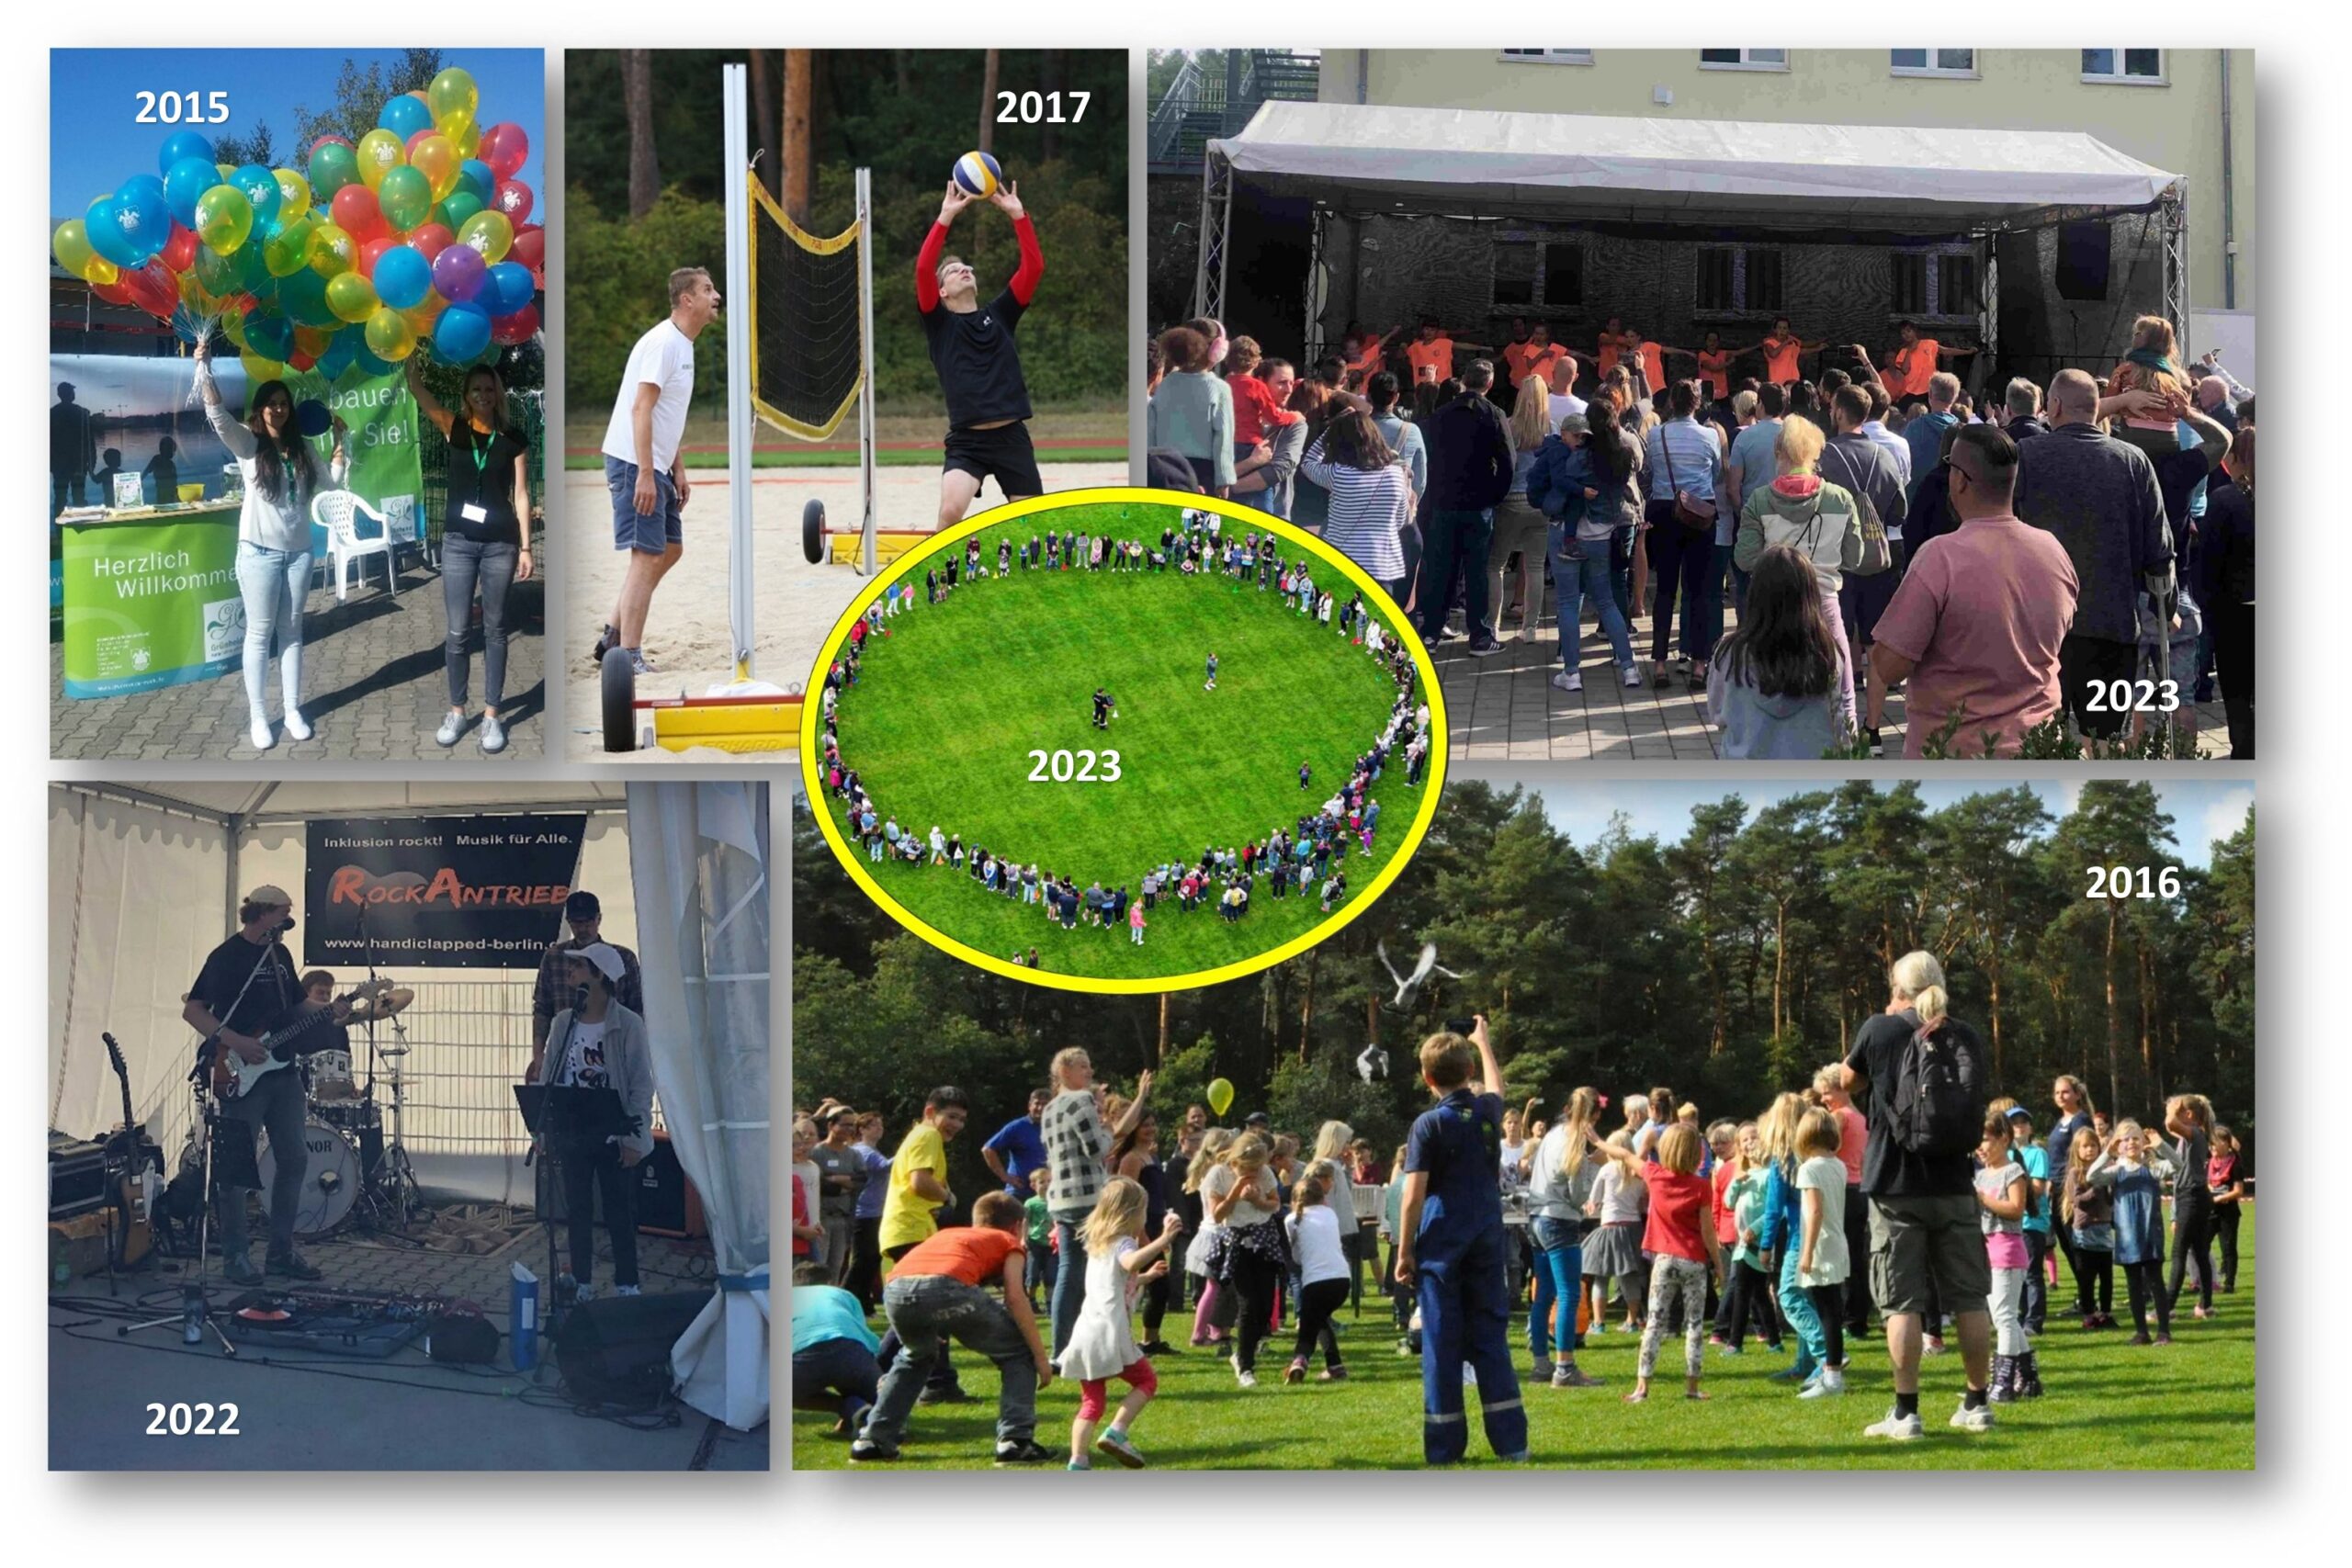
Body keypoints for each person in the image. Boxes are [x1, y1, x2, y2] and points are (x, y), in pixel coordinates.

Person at [1840, 950, 1996, 1438]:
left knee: (1901, 1301)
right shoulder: (1965, 1033)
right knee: (1970, 1297)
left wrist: (1885, 1021)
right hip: (1953, 1182)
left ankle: (1906, 1413)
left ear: (1898, 988)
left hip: (1895, 1183)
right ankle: (1977, 1403)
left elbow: (1848, 1081)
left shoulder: (1879, 1029)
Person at [1873, 424, 2078, 758]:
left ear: (1959, 480)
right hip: (2038, 747)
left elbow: (1889, 666)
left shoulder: (1939, 558)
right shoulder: (2054, 550)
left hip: (1953, 754)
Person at [183, 886, 342, 1284]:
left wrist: (332, 1010)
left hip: (284, 1071)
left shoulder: (281, 954)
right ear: (262, 913)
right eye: (284, 914)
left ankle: (281, 1253)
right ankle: (235, 1256)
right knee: (236, 1169)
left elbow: (296, 1006)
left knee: (295, 1159)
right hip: (240, 1069)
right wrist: (235, 1042)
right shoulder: (226, 957)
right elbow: (193, 1009)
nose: (289, 921)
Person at [195, 338, 348, 751]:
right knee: (260, 635)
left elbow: (332, 482)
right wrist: (205, 368)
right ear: (261, 410)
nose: (278, 408)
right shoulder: (249, 444)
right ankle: (260, 717)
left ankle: (294, 709)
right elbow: (217, 417)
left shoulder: (302, 447)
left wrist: (340, 443)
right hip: (258, 554)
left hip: (299, 554)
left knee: (292, 632)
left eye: (283, 403)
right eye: (271, 403)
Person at [2014, 369, 2172, 749]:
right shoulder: (2133, 461)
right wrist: (2164, 603)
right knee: (2104, 739)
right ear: (2096, 408)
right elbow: (2159, 548)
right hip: (2111, 625)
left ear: (2053, 405)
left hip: (2038, 628)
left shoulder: (2026, 455)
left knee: (2038, 735)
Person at [1394, 1015, 1527, 1462]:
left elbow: (1413, 1196)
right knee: (1491, 1338)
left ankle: (1445, 1446)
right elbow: (1498, 1089)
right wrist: (1484, 1042)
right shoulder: (1487, 1113)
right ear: (1468, 1071)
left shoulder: (1428, 1125)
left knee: (1441, 1343)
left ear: (1427, 1078)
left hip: (1442, 1239)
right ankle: (1512, 1444)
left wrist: (1404, 1250)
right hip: (1487, 1234)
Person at [851, 1191, 1055, 1464]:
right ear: (1017, 1226)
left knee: (915, 1357)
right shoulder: (1008, 1240)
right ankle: (1015, 1441)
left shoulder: (945, 1235)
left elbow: (924, 1276)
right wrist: (1040, 1356)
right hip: (947, 1286)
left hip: (896, 1289)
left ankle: (873, 1441)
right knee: (1018, 1353)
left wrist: (932, 1319)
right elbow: (1016, 1298)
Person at [407, 352, 532, 753]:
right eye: (476, 389)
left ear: (497, 394)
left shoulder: (513, 440)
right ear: (466, 395)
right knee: (458, 631)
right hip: (459, 544)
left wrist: (527, 546)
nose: (483, 394)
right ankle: (458, 711)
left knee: (496, 630)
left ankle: (492, 717)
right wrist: (410, 362)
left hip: (501, 545)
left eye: (489, 389)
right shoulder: (453, 429)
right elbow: (419, 392)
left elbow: (522, 494)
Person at [917, 180, 1045, 525]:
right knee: (950, 511)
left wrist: (1018, 215)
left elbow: (1033, 269)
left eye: (968, 268)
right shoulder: (939, 323)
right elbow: (922, 270)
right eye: (954, 271)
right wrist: (945, 217)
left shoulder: (1000, 314)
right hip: (967, 441)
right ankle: (942, 576)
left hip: (1011, 437)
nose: (965, 269)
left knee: (1031, 522)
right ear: (941, 291)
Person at [536, 942, 655, 1303]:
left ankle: (627, 1284)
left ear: (599, 975)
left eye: (579, 967)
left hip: (615, 1133)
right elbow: (549, 1076)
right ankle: (582, 1282)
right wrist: (544, 1127)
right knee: (578, 1210)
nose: (570, 972)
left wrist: (635, 1137)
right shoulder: (563, 1022)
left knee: (620, 1211)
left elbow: (640, 1084)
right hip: (575, 1130)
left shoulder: (629, 1025)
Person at [1733, 415, 1863, 726]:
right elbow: (1855, 557)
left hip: (1771, 607)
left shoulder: (1759, 500)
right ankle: (1848, 747)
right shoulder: (1840, 498)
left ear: (1779, 453)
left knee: (1767, 685)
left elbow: (1744, 558)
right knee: (1842, 685)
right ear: (1815, 453)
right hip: (1825, 603)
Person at [1058, 1178, 1183, 1469]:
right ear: (1131, 1213)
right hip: (1110, 1333)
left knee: (1091, 1402)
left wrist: (1146, 1278)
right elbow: (1129, 1263)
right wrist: (1164, 1240)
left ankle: (1078, 1461)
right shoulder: (1122, 1243)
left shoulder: (1097, 1244)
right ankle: (1117, 1431)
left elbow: (1118, 1281)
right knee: (1146, 1381)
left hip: (1087, 1330)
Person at [1041, 1049, 1153, 1356]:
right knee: (1103, 1272)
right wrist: (1103, 1124)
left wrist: (1139, 1097)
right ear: (1064, 1070)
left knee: (1069, 1271)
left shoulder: (1050, 1108)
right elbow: (1100, 1147)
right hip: (1089, 1197)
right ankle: (1107, 1344)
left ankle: (1062, 1349)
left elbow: (1115, 1133)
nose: (1090, 1072)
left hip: (1061, 1199)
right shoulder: (1081, 1101)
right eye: (1083, 1067)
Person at [1705, 543, 1850, 758]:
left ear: (1755, 594)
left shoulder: (1730, 653)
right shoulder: (1828, 653)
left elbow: (1717, 713)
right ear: (1810, 595)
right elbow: (1838, 720)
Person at [1415, 361, 1514, 655]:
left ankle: (1431, 632)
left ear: (1464, 380)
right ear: (1489, 383)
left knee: (1440, 568)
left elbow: (1426, 458)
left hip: (1443, 502)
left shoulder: (1439, 415)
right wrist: (1494, 495)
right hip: (1478, 504)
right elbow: (1508, 463)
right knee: (1477, 571)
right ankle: (1480, 636)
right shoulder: (1493, 415)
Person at [1641, 380, 1728, 689]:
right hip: (1701, 512)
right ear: (1697, 404)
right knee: (1700, 590)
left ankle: (1661, 663)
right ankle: (1699, 666)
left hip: (1665, 510)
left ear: (1671, 404)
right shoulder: (1709, 435)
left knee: (1664, 588)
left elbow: (1649, 470)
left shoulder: (1655, 434)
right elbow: (1717, 474)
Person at [1298, 408, 1411, 600]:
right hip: (1382, 566)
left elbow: (1307, 463)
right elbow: (1401, 520)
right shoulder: (1395, 475)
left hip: (1341, 561)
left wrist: (1330, 430)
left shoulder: (1338, 473)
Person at [530, 891, 644, 1079]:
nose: (582, 928)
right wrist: (538, 1055)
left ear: (599, 919)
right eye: (576, 923)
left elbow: (638, 1010)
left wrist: (633, 1054)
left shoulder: (623, 958)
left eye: (588, 922)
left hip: (613, 1052)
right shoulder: (554, 957)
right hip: (564, 1052)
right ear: (568, 922)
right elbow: (542, 1008)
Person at [2081, 1121, 2175, 1344]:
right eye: (2125, 1139)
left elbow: (2178, 1164)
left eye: (2136, 1138)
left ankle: (2164, 1331)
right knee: (2133, 1284)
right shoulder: (2117, 1170)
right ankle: (2141, 1332)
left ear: (2144, 1142)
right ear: (2118, 1145)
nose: (2131, 1143)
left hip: (2151, 1233)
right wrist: (2107, 1153)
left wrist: (2161, 1146)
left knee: (2155, 1281)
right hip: (2127, 1236)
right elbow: (2091, 1176)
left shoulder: (2153, 1167)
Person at [2197, 425, 2255, 759]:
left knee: (2237, 690)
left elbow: (2209, 563)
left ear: (2236, 460)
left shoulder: (2225, 500)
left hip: (2234, 612)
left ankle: (2245, 754)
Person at [1973, 1108, 2036, 1402]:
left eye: (1986, 1139)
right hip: (1986, 1250)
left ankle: (2004, 1381)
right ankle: (2030, 1377)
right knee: (2002, 1317)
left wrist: (1984, 1199)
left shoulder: (2013, 1171)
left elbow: (2015, 1209)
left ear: (2004, 1139)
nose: (1981, 1147)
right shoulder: (1981, 1175)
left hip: (2008, 1249)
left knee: (2005, 1317)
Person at [1486, 374, 1555, 644]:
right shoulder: (1552, 429)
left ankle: (1493, 626)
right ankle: (1530, 628)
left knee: (1496, 565)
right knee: (1536, 566)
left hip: (1510, 501)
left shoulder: (1509, 426)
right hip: (1539, 504)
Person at [793, 1260, 883, 1438]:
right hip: (850, 1351)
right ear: (829, 1283)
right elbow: (865, 1336)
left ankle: (850, 1407)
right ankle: (866, 1412)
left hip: (802, 1355)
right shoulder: (842, 1295)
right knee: (882, 1405)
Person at [1282, 1170, 1352, 1384]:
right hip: (1342, 1279)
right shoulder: (1330, 1214)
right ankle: (1335, 1367)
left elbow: (1296, 1257)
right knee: (1318, 1320)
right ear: (1323, 1196)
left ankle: (1300, 1359)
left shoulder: (1292, 1220)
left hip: (1315, 1282)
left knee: (1309, 1322)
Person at [1147, 325, 1235, 496]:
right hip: (1203, 473)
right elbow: (1223, 437)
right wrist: (1224, 481)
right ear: (1217, 349)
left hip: (1164, 468)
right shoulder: (1219, 389)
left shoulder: (1165, 384)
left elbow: (1151, 428)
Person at [2164, 1093, 2218, 1320]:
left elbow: (2169, 1123)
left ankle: (2166, 1308)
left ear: (2188, 1114)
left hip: (2192, 1197)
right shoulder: (2191, 1136)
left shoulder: (2194, 1133)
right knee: (2200, 1252)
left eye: (2178, 1109)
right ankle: (2204, 1306)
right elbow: (2171, 1127)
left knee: (2178, 1253)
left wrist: (2172, 1109)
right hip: (2195, 1197)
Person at [2059, 1125, 2117, 1328]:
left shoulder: (2105, 1172)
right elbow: (2079, 1201)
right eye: (2085, 1146)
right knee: (2087, 1277)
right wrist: (2096, 1188)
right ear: (2077, 1150)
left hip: (2103, 1229)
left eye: (2093, 1146)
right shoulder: (2076, 1173)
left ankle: (2106, 1312)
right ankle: (2089, 1314)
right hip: (2084, 1231)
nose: (2090, 1150)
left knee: (2107, 1277)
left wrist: (2111, 1187)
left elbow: (2109, 1201)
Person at [809, 1107, 867, 1282]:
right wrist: (839, 1183)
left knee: (836, 1267)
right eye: (844, 1125)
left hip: (843, 1218)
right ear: (831, 1125)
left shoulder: (854, 1154)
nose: (849, 1129)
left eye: (852, 1125)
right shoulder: (816, 1152)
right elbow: (817, 1182)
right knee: (818, 1267)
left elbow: (862, 1179)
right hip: (822, 1218)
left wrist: (838, 1178)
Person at [982, 1088, 1052, 1198]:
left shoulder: (1055, 1127)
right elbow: (988, 1149)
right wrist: (1005, 1176)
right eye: (1037, 1103)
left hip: (1047, 1194)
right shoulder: (1017, 1127)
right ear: (1029, 1105)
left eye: (1045, 1104)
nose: (1040, 1108)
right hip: (1019, 1193)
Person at [2208, 1125, 2246, 1293]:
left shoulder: (2235, 1164)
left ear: (2226, 1143)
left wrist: (2219, 1198)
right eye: (2210, 1144)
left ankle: (2229, 1283)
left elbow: (2238, 1191)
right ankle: (2205, 1280)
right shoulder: (2208, 1163)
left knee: (2228, 1247)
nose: (2212, 1148)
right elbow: (2206, 1183)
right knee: (2201, 1246)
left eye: (2215, 1143)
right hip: (2210, 1212)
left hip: (2228, 1213)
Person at [51, 380, 96, 516]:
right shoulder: (81, 413)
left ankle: (60, 530)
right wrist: (92, 461)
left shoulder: (52, 413)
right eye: (72, 391)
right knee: (79, 497)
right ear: (70, 394)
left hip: (59, 465)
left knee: (60, 498)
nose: (74, 394)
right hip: (78, 464)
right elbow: (89, 439)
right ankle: (80, 528)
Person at [144, 436, 181, 505]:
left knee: (163, 504)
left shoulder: (158, 460)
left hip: (164, 489)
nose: (174, 453)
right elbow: (174, 481)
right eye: (173, 451)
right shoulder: (160, 461)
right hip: (165, 490)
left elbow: (146, 471)